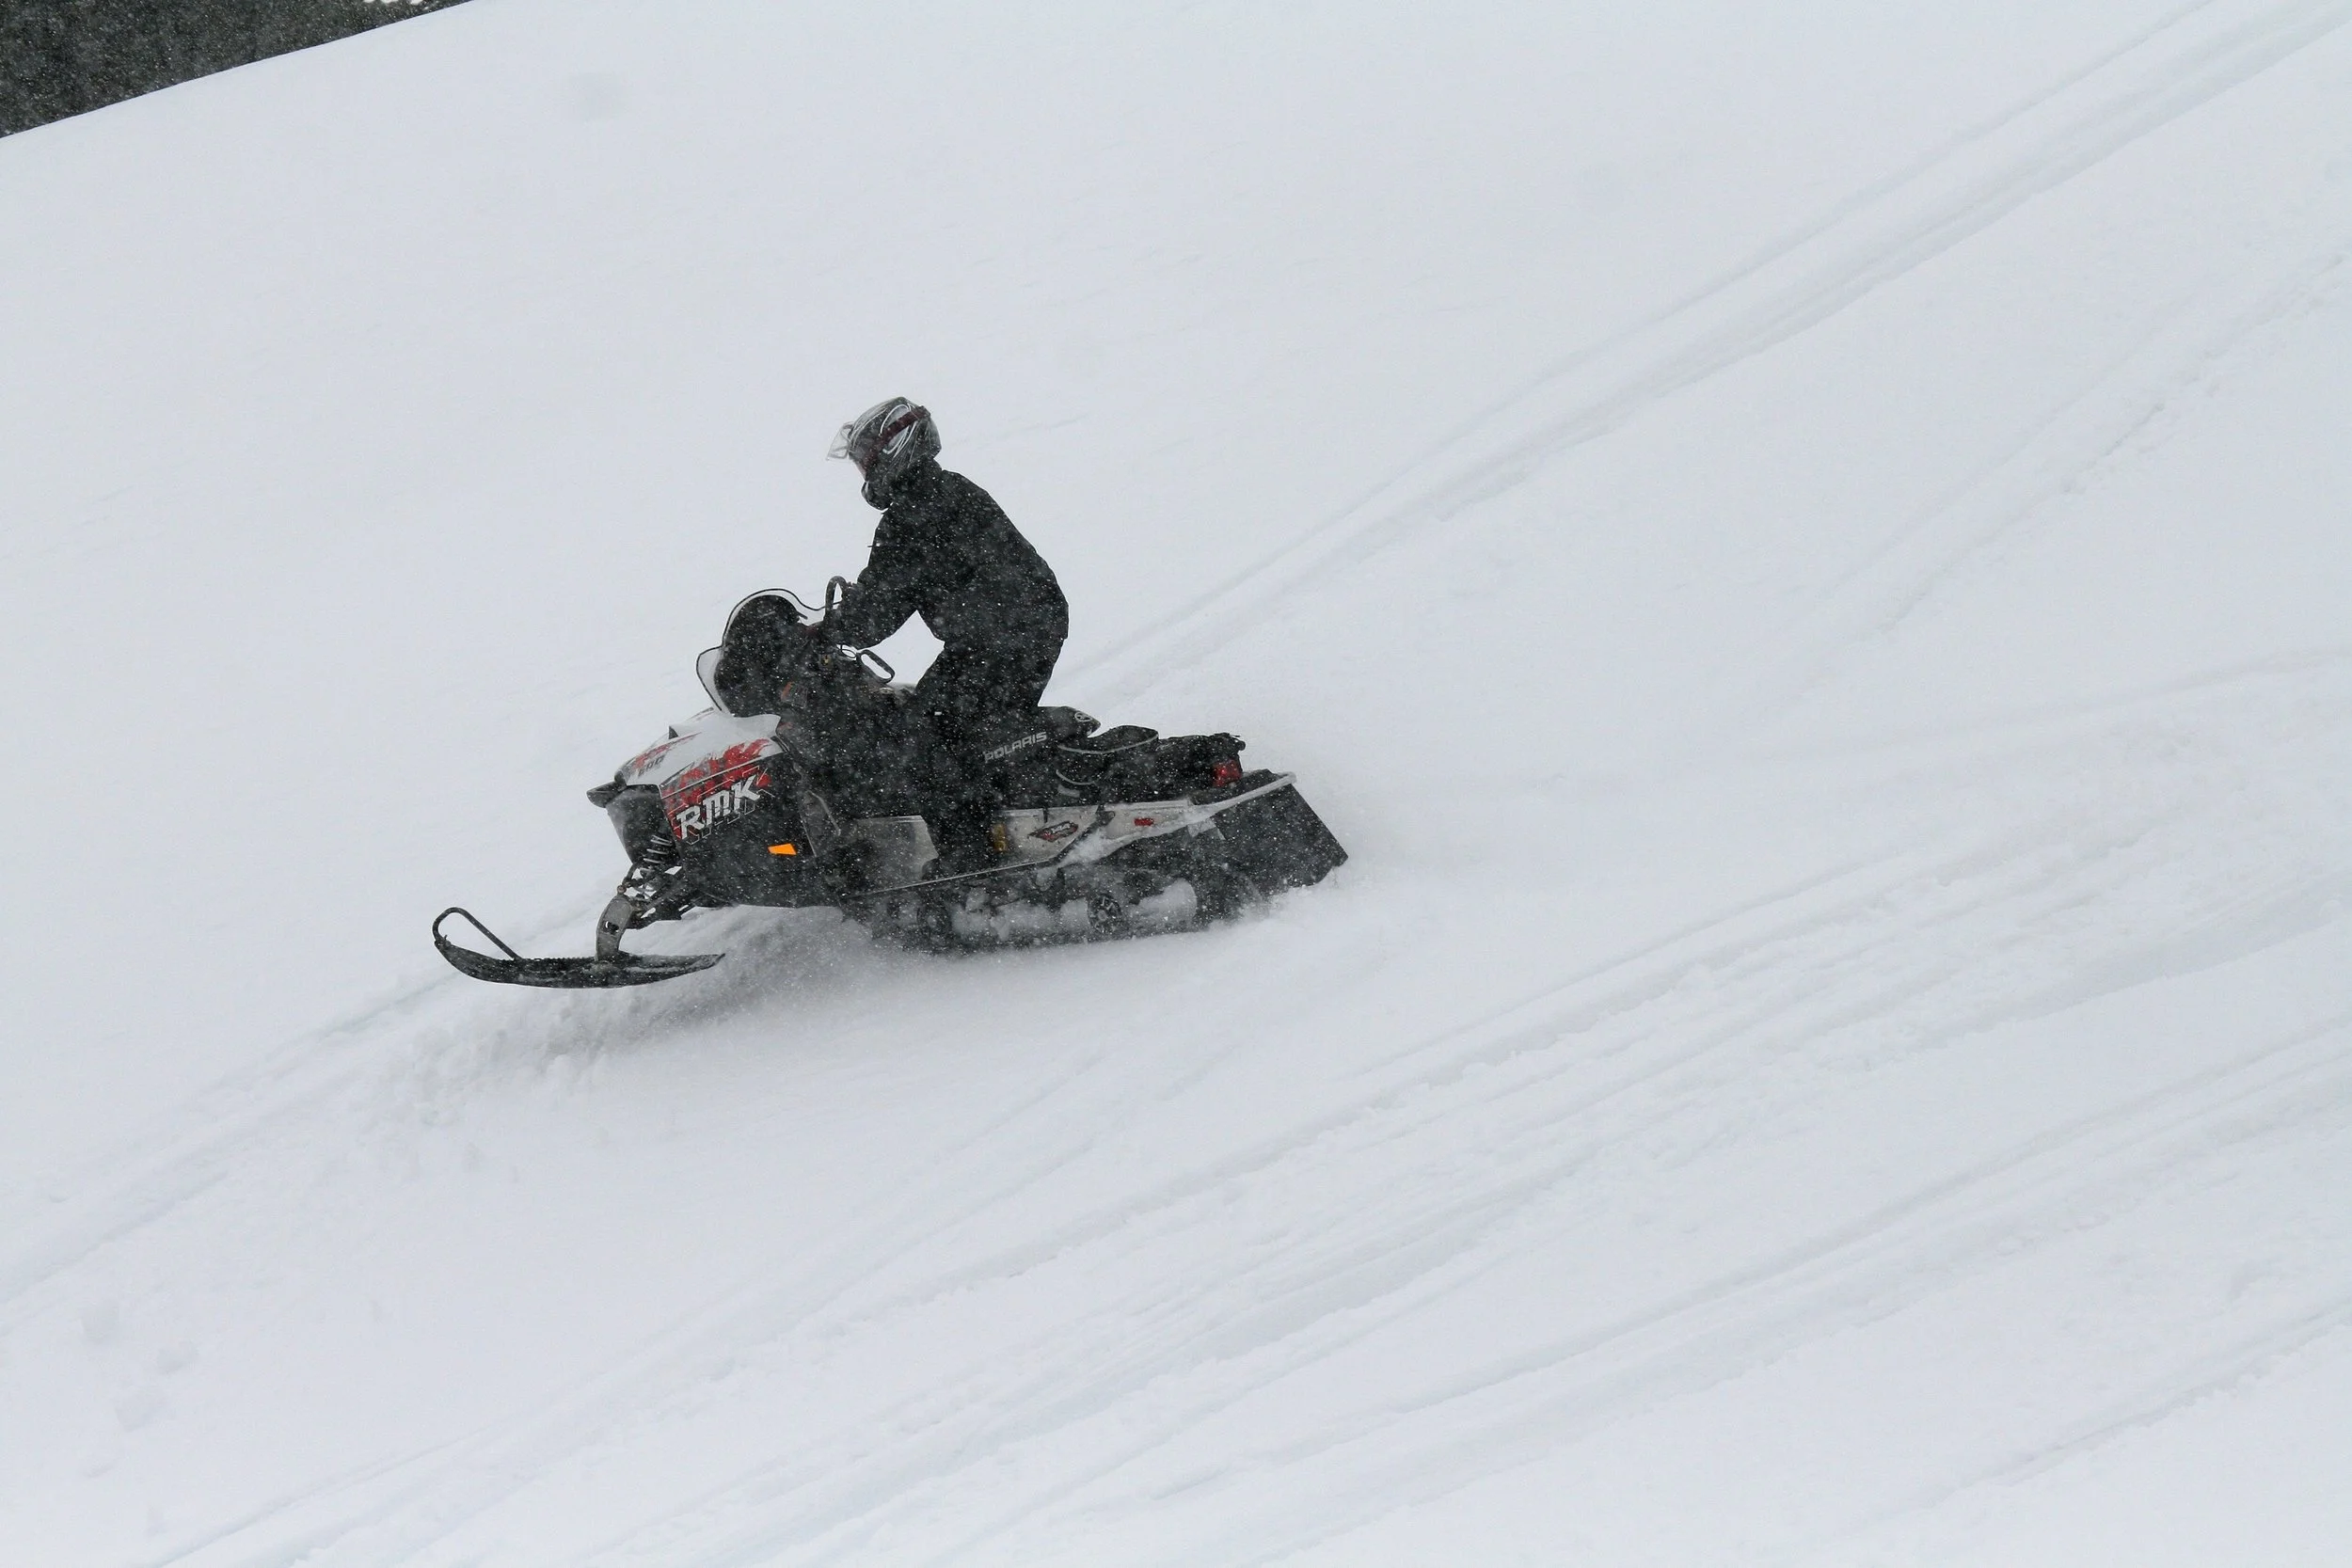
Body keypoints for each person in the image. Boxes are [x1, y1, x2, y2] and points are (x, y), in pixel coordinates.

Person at [824, 398, 1069, 874]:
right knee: (963, 731)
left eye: (865, 461)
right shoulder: (946, 489)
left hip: (999, 639)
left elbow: (878, 612)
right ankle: (1004, 826)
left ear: (890, 453)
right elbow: (895, 590)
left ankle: (970, 866)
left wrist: (825, 632)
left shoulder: (913, 514)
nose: (865, 473)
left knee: (928, 738)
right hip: (1016, 629)